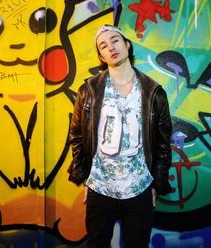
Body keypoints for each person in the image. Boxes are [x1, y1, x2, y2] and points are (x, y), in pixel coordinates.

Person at [68, 24, 172, 248]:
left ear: (127, 45)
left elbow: (164, 144)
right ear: (101, 56)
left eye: (115, 40)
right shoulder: (89, 91)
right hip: (100, 187)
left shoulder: (153, 92)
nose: (110, 47)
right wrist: (86, 176)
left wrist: (155, 184)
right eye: (103, 46)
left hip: (139, 187)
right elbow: (76, 135)